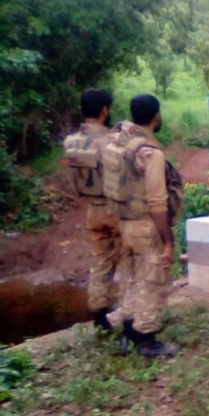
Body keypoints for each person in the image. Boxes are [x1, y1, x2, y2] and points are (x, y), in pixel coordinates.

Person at [103, 94, 183, 358]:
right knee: (153, 281)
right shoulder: (150, 153)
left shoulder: (118, 141)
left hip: (123, 222)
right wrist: (168, 242)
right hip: (146, 225)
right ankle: (146, 339)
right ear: (156, 116)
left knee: (131, 278)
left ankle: (127, 331)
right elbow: (158, 202)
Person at [62, 89, 122, 333]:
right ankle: (130, 316)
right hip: (116, 209)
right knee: (131, 260)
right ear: (104, 110)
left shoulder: (70, 141)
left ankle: (99, 313)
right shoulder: (112, 141)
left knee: (101, 260)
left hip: (92, 210)